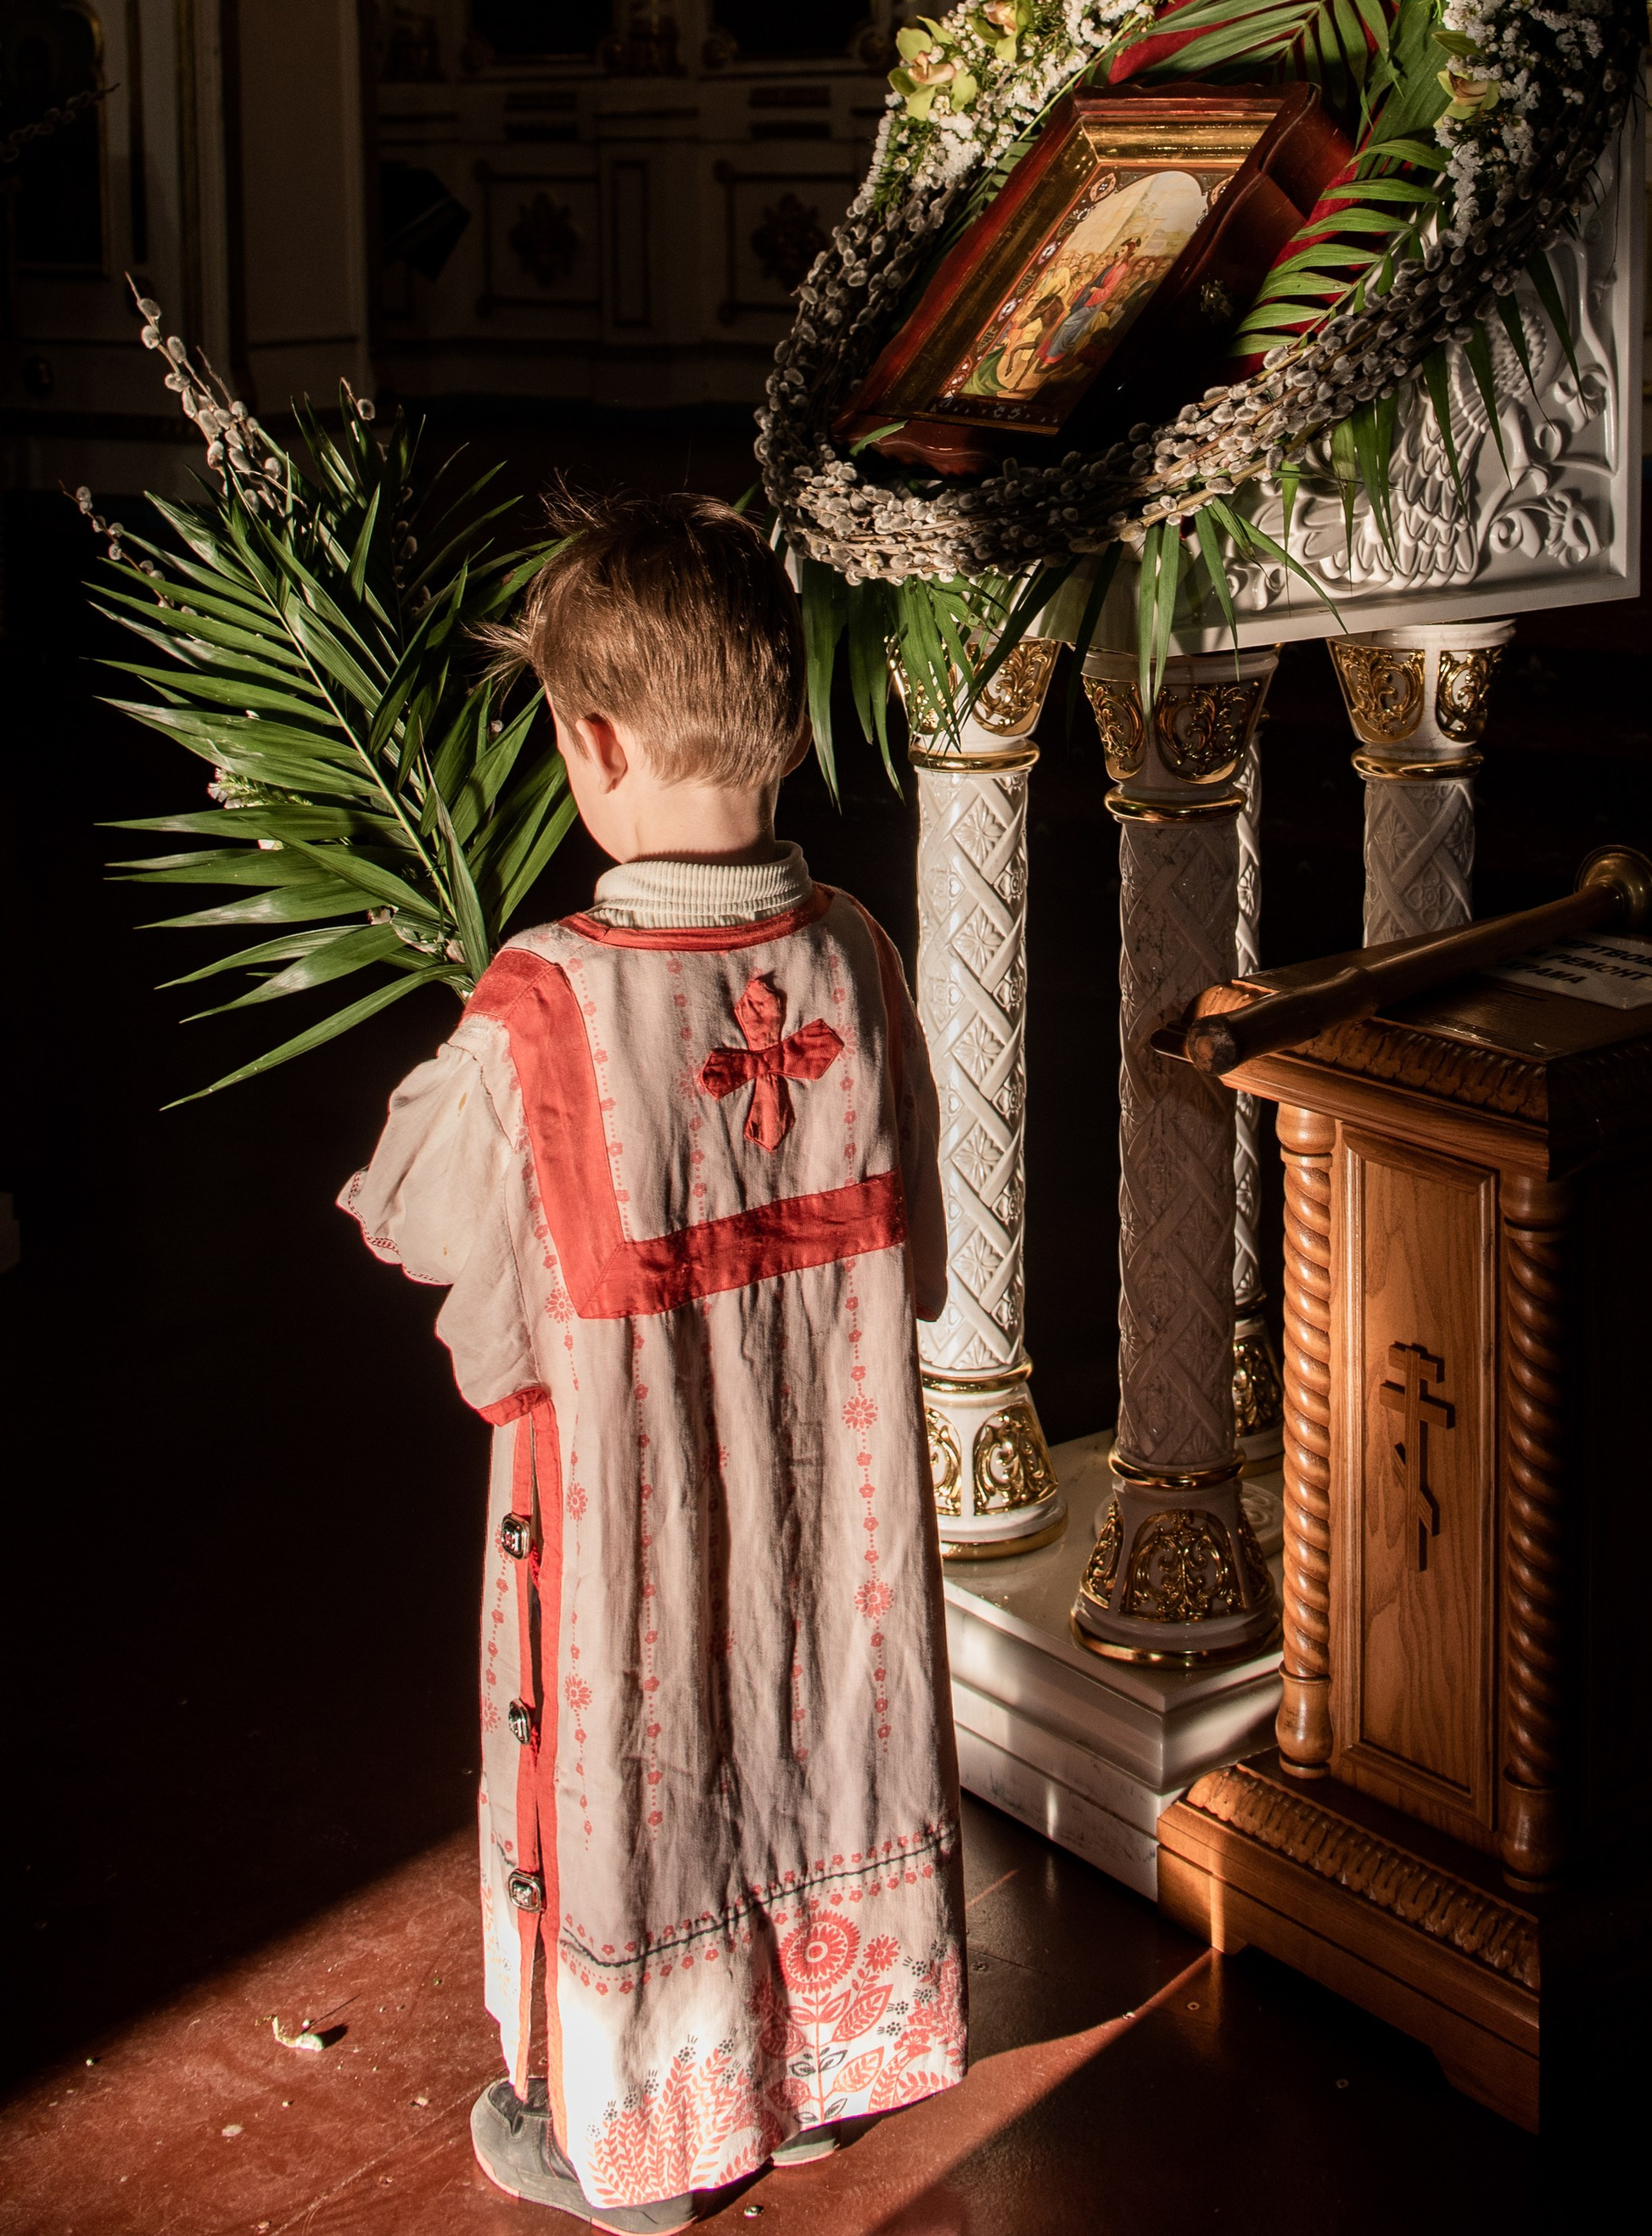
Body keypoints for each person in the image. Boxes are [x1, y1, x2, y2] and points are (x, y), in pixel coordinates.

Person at [339, 496, 963, 2228]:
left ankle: (631, 2132)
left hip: (635, 1521)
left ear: (592, 742)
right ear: (784, 719)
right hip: (832, 1504)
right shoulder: (854, 951)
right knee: (818, 1724)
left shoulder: (547, 1001)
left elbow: (419, 1221)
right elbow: (915, 1237)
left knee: (647, 1757)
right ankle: (820, 2063)